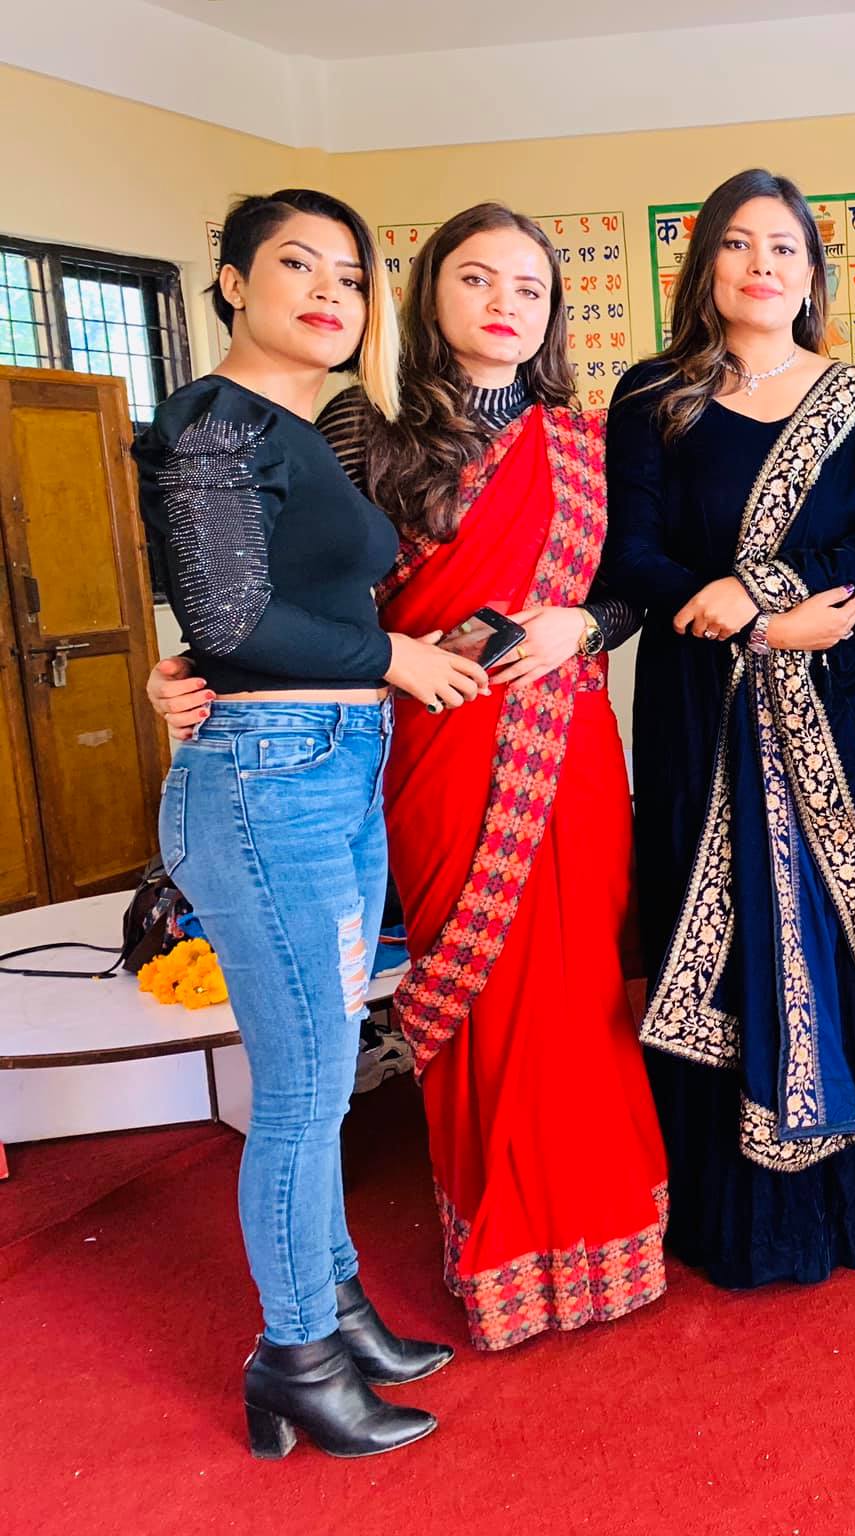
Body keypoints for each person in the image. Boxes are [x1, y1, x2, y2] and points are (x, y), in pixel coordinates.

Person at [148, 204, 671, 1353]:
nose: (503, 303)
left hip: (568, 746)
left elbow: (636, 578)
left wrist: (585, 623)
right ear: (428, 293)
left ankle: (603, 1239)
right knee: (476, 990)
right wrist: (189, 666)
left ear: (552, 312)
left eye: (528, 288)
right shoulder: (361, 425)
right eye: (475, 278)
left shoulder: (588, 440)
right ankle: (500, 1250)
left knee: (582, 985)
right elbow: (283, 587)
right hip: (427, 741)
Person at [135, 188, 488, 1458]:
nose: (331, 291)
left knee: (326, 1076)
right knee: (301, 1091)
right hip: (267, 776)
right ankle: (293, 1358)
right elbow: (231, 622)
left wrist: (387, 659)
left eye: (350, 273)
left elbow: (249, 614)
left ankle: (336, 1311)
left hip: (328, 765)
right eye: (297, 265)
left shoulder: (302, 427)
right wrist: (395, 656)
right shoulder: (210, 423)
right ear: (232, 283)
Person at [603, 169, 855, 1288]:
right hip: (704, 715)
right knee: (716, 932)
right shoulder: (655, 393)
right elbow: (631, 554)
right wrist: (753, 618)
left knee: (838, 925)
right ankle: (726, 1213)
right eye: (738, 243)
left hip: (836, 721)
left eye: (783, 248)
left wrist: (768, 600)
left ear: (811, 273)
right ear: (704, 264)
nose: (761, 265)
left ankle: (849, 1193)